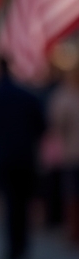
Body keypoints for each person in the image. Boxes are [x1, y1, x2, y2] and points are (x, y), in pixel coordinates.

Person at [0, 58, 47, 259]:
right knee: (22, 204)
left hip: (2, 160)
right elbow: (41, 126)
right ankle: (22, 246)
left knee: (10, 204)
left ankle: (13, 248)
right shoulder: (28, 97)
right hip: (25, 158)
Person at [47, 67, 79, 247]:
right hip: (71, 152)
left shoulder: (67, 97)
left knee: (72, 194)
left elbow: (57, 122)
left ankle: (73, 232)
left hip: (72, 153)